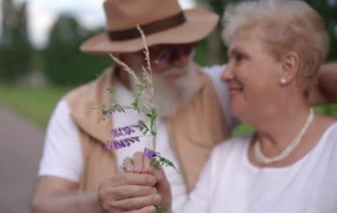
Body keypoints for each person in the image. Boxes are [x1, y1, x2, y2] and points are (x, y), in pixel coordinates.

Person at [31, 0, 337, 212]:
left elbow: (305, 83)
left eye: (187, 48)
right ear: (124, 57)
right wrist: (99, 201)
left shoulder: (214, 86)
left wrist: (297, 67)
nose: (183, 62)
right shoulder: (77, 110)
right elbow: (44, 203)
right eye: (166, 56)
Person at [123, 0, 337, 212]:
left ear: (288, 67)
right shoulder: (224, 157)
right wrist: (161, 205)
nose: (225, 75)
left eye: (240, 58)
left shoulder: (331, 149)